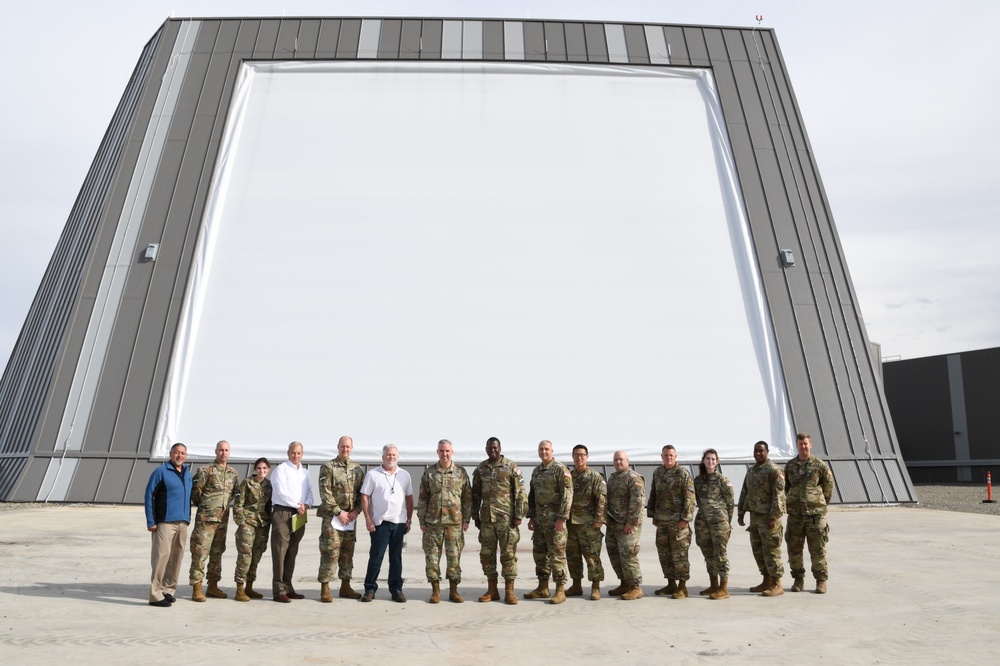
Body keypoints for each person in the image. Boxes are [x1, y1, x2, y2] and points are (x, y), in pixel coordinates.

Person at [471, 436, 527, 605]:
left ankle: (509, 591)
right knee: (487, 555)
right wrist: (475, 516)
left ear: (500, 448)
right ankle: (492, 590)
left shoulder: (511, 467)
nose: (493, 450)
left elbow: (521, 493)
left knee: (508, 555)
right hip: (487, 520)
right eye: (490, 448)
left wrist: (519, 515)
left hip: (506, 520)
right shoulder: (481, 469)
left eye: (495, 447)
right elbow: (475, 495)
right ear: (486, 449)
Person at [418, 439, 472, 603]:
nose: (445, 454)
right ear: (437, 452)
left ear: (452, 452)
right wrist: (422, 521)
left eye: (447, 451)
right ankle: (435, 591)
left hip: (454, 523)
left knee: (454, 558)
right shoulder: (430, 473)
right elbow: (423, 498)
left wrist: (466, 519)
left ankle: (454, 591)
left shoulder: (460, 472)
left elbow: (467, 498)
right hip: (433, 523)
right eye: (442, 451)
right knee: (432, 558)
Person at [360, 444, 414, 602]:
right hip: (379, 523)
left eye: (394, 455)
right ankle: (370, 588)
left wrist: (409, 519)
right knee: (376, 557)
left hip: (399, 524)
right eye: (388, 455)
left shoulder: (404, 475)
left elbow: (409, 498)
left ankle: (396, 589)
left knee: (396, 558)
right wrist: (368, 519)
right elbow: (365, 496)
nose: (391, 457)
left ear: (397, 457)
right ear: (382, 457)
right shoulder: (373, 474)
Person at [784, 432, 835, 594]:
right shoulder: (790, 466)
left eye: (805, 444)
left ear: (810, 445)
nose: (803, 446)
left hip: (815, 515)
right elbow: (786, 488)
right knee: (794, 549)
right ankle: (798, 579)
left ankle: (821, 581)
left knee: (817, 549)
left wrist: (819, 503)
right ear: (797, 446)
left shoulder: (819, 465)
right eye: (800, 444)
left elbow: (829, 486)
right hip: (795, 516)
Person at [188, 440, 239, 601]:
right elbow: (196, 493)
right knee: (200, 552)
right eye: (221, 450)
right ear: (216, 451)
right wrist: (207, 509)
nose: (224, 453)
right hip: (206, 520)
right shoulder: (205, 470)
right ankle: (197, 586)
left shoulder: (233, 473)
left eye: (226, 450)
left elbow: (234, 495)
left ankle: (212, 586)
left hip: (222, 521)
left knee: (217, 553)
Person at [524, 440, 574, 604]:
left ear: (552, 451)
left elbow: (568, 495)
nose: (543, 452)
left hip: (555, 522)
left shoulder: (560, 470)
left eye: (546, 449)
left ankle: (560, 589)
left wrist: (562, 517)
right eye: (541, 449)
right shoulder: (537, 471)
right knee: (540, 554)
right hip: (540, 521)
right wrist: (531, 516)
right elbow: (532, 495)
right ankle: (543, 587)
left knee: (557, 555)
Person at [317, 435, 365, 602]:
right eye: (342, 446)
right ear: (338, 447)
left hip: (350, 519)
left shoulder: (357, 469)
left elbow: (362, 494)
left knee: (347, 553)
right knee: (330, 552)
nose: (345, 449)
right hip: (333, 518)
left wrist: (356, 511)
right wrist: (339, 512)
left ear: (352, 448)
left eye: (348, 447)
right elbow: (325, 493)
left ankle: (345, 586)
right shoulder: (328, 468)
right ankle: (325, 587)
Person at [144, 442, 192, 607]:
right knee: (161, 557)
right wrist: (151, 521)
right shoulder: (161, 472)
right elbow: (149, 495)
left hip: (182, 522)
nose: (180, 456)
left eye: (183, 453)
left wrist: (188, 518)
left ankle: (168, 590)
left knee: (176, 558)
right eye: (177, 452)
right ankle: (155, 595)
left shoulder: (187, 473)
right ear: (171, 454)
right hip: (165, 522)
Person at [738, 440, 787, 597]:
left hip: (769, 519)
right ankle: (766, 580)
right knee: (758, 551)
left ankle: (777, 584)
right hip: (755, 518)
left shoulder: (774, 471)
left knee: (771, 551)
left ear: (767, 452)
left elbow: (779, 496)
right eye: (756, 451)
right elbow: (745, 491)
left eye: (761, 451)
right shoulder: (752, 471)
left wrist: (773, 516)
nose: (758, 453)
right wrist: (741, 512)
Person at [647, 444, 696, 599]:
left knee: (679, 554)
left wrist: (685, 519)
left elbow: (690, 497)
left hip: (678, 522)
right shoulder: (658, 473)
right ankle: (671, 584)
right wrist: (653, 514)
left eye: (671, 455)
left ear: (675, 457)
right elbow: (653, 493)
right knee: (664, 554)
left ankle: (682, 587)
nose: (668, 458)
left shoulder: (682, 473)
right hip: (662, 521)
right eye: (666, 455)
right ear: (662, 457)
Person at [270, 441, 313, 602]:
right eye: (293, 452)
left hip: (300, 513)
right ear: (288, 453)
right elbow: (281, 492)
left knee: (292, 551)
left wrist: (306, 504)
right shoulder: (281, 470)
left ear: (302, 454)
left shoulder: (305, 472)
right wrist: (298, 505)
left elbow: (310, 492)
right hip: (283, 512)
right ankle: (278, 590)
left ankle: (288, 587)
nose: (296, 455)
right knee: (280, 550)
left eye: (299, 453)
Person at [566, 444, 607, 601]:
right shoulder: (569, 476)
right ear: (573, 457)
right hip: (572, 524)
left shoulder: (595, 477)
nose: (579, 458)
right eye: (576, 455)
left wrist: (599, 519)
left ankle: (595, 587)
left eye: (582, 455)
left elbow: (602, 500)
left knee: (592, 557)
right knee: (573, 556)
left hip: (589, 525)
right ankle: (576, 585)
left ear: (587, 457)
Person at [694, 448, 735, 600]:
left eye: (713, 459)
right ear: (703, 461)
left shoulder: (723, 480)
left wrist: (726, 522)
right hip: (703, 523)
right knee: (708, 553)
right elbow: (697, 500)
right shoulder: (698, 480)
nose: (710, 462)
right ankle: (713, 584)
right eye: (708, 459)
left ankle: (724, 587)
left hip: (719, 522)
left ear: (717, 462)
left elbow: (730, 504)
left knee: (720, 553)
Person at [605, 450, 645, 600]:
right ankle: (624, 583)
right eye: (616, 460)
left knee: (629, 555)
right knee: (615, 555)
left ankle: (636, 587)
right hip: (613, 524)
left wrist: (631, 523)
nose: (618, 462)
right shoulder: (613, 478)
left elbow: (638, 503)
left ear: (627, 461)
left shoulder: (634, 478)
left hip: (628, 526)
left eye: (621, 459)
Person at [233, 457, 272, 601]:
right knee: (245, 557)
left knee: (256, 556)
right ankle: (239, 589)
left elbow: (269, 506)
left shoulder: (268, 485)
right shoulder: (247, 483)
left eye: (264, 468)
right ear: (255, 469)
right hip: (248, 524)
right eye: (259, 468)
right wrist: (241, 522)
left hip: (262, 525)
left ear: (268, 470)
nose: (262, 471)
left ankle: (249, 586)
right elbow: (238, 503)